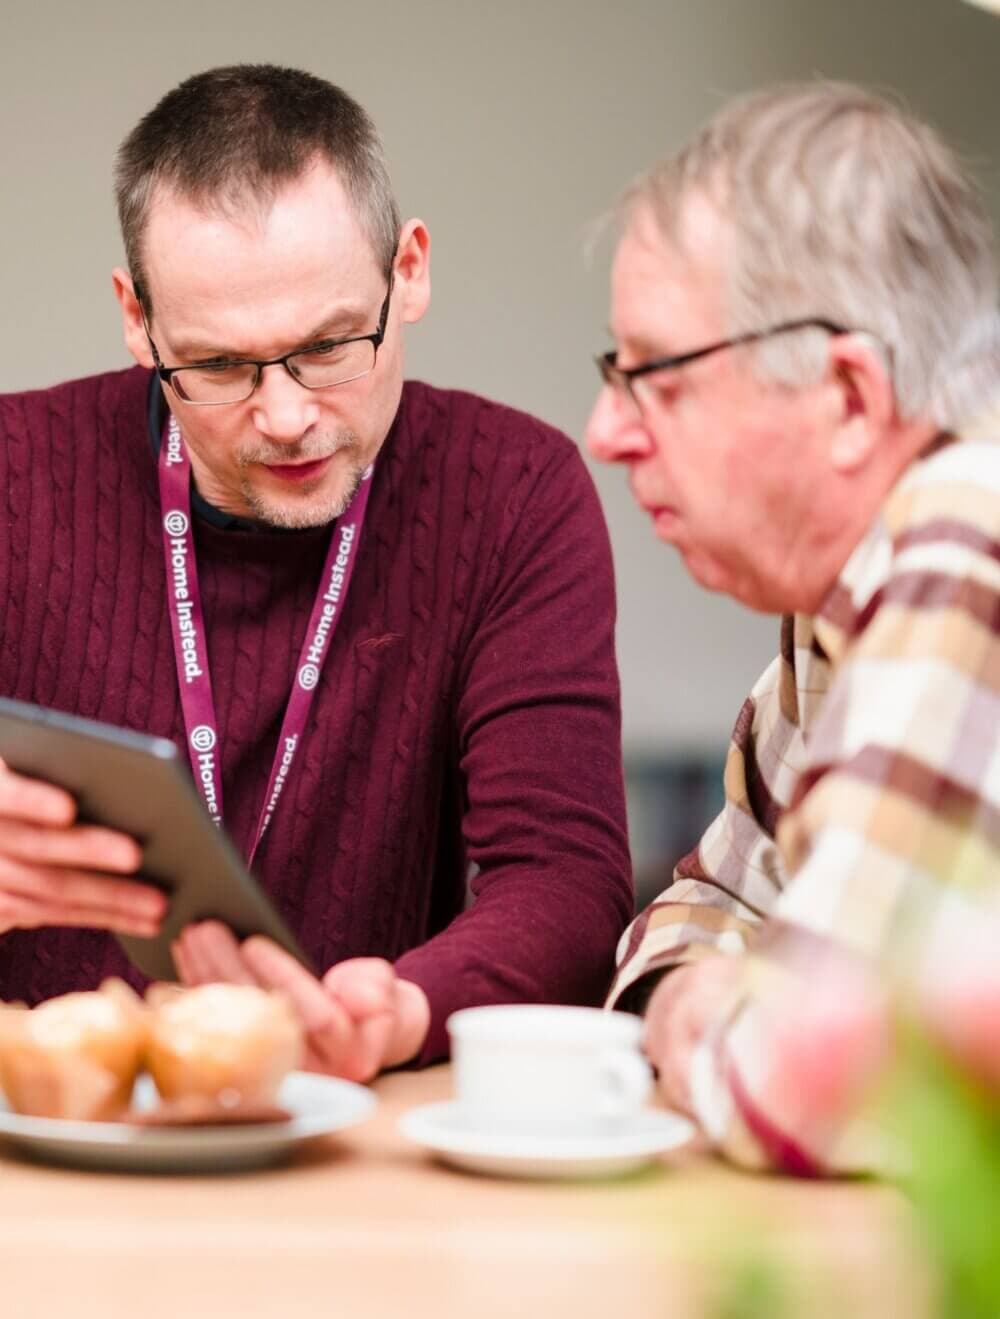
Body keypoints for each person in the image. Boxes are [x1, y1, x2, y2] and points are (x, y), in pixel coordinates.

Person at [0, 63, 632, 1081]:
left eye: (331, 346)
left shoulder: (513, 489)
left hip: (361, 1130)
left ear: (410, 269)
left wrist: (400, 1009)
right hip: (48, 1138)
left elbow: (561, 879)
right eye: (217, 367)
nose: (287, 416)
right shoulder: (11, 474)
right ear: (136, 318)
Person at [586, 81, 1000, 1174]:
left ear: (851, 397)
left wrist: (701, 1010)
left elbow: (793, 1085)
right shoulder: (838, 602)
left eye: (654, 374)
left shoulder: (970, 532)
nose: (604, 431)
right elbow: (699, 905)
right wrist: (706, 988)